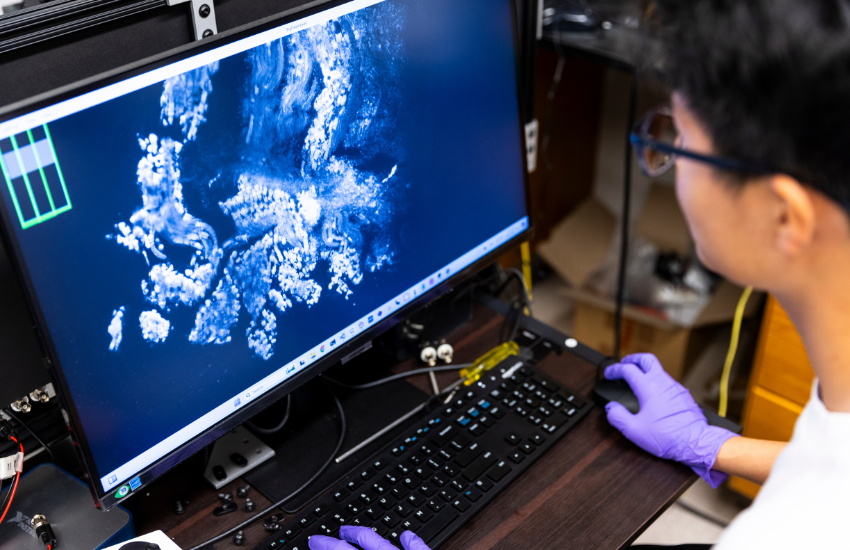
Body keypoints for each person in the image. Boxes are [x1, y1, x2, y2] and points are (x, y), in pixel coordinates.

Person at [309, 0, 850, 549]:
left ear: (784, 217)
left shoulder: (788, 532)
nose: (668, 162)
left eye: (680, 141)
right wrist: (709, 445)